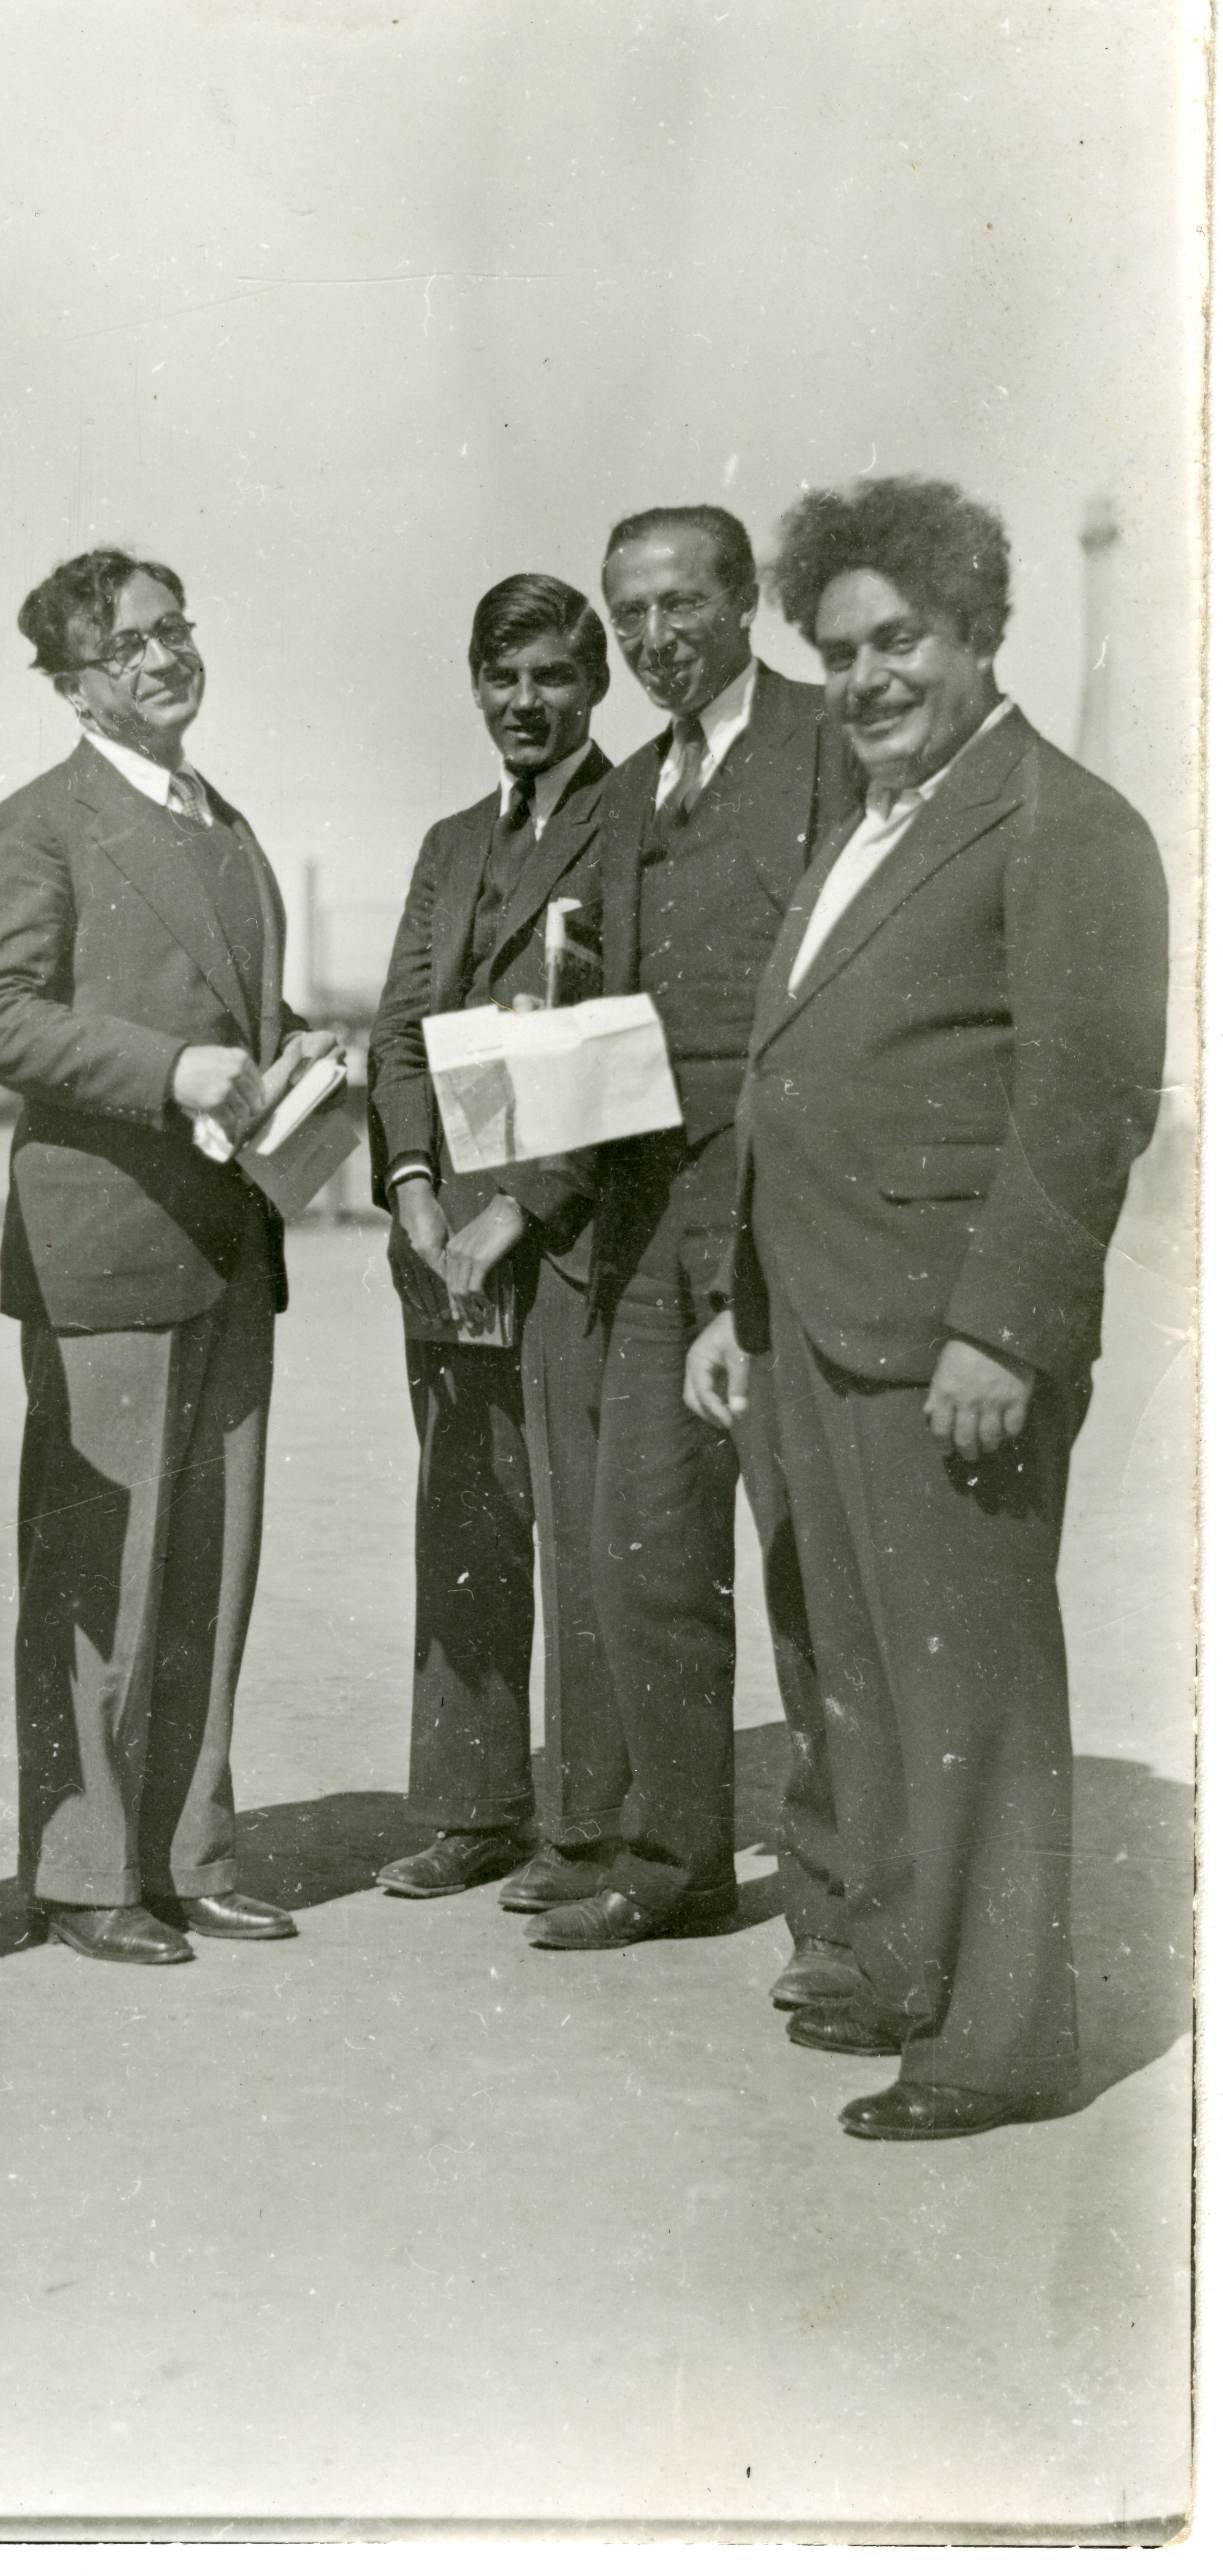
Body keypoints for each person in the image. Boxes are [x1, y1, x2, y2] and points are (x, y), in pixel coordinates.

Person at [687, 476, 1168, 2139]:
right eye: (838, 651)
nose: (867, 675)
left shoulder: (1061, 819)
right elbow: (790, 1076)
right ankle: (904, 1962)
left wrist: (1003, 1328)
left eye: (898, 638)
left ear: (974, 628)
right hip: (816, 1320)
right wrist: (733, 1299)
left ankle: (1003, 2035)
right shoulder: (863, 824)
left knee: (967, 1677)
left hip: (946, 1337)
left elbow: (1084, 1098)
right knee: (862, 1671)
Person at [0, 548, 338, 1967]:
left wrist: (295, 1044)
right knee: (100, 1570)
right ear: (69, 681)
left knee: (212, 1565)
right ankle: (82, 1868)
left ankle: (191, 1846)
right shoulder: (38, 825)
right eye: (127, 647)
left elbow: (223, 999)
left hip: (233, 1235)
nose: (163, 658)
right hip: (105, 1244)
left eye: (175, 630)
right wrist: (178, 1067)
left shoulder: (222, 822)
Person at [525, 506, 856, 1965]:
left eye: (678, 605)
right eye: (628, 612)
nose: (653, 636)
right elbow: (579, 1010)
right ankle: (677, 1858)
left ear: (746, 604)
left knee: (808, 1570)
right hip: (647, 1221)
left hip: (788, 1212)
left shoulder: (828, 743)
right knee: (644, 1551)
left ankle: (849, 1917)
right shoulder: (620, 795)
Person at [364, 573, 630, 1910]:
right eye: (503, 677)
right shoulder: (450, 842)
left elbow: (620, 1030)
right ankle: (473, 1806)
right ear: (475, 684)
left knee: (579, 1522)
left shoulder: (630, 819)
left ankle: (588, 1827)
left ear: (596, 689)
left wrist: (523, 1200)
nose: (525, 703)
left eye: (552, 679)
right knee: (462, 1517)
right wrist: (415, 1180)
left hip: (567, 1237)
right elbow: (408, 1024)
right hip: (447, 1243)